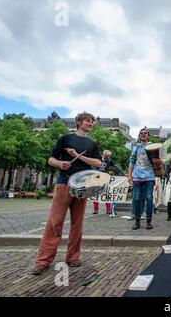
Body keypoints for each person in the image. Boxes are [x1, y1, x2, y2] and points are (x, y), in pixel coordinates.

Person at [32, 112, 102, 275]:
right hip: (64, 183)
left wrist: (78, 157)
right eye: (87, 121)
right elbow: (51, 160)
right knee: (55, 222)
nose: (90, 124)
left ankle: (73, 257)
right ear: (78, 122)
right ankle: (43, 260)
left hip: (83, 186)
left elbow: (98, 162)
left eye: (92, 122)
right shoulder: (65, 138)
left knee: (77, 224)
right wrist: (60, 163)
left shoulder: (92, 144)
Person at [128, 128, 158, 230]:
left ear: (148, 135)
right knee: (136, 199)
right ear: (139, 136)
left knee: (149, 198)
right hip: (137, 177)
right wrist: (129, 175)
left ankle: (149, 221)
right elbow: (132, 161)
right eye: (141, 133)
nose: (143, 134)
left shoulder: (152, 146)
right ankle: (137, 221)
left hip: (149, 176)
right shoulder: (136, 147)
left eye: (145, 133)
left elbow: (159, 159)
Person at [92, 150, 126, 216]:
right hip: (97, 177)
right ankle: (95, 209)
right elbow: (92, 166)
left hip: (105, 178)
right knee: (95, 193)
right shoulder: (97, 158)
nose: (107, 157)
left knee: (106, 193)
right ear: (103, 154)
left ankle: (108, 209)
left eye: (108, 156)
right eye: (106, 156)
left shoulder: (109, 160)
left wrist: (123, 173)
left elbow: (116, 167)